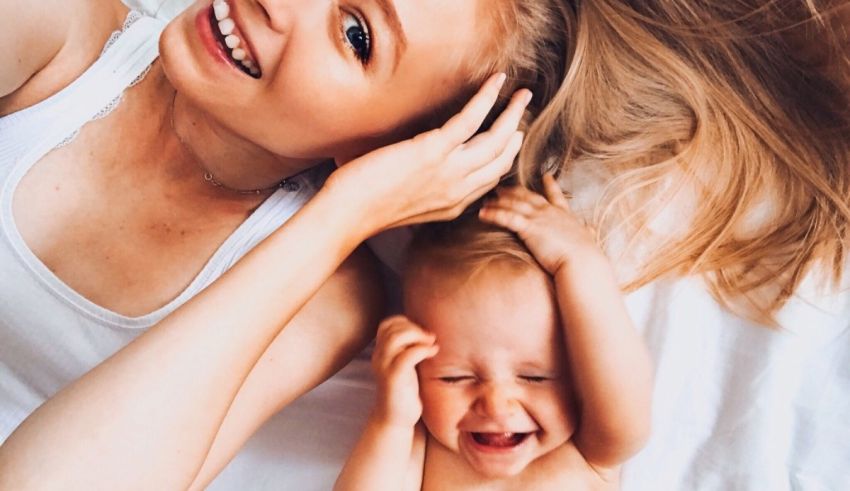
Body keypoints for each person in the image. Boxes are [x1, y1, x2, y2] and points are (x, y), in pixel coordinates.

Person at [0, 0, 571, 488]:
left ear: (401, 150)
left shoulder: (327, 296)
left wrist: (343, 214)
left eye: (356, 35)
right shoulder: (54, 28)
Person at [335, 175, 653, 490]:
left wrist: (581, 263)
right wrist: (391, 422)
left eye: (535, 377)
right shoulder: (423, 448)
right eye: (455, 377)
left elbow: (627, 407)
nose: (496, 405)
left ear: (582, 378)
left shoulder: (588, 450)